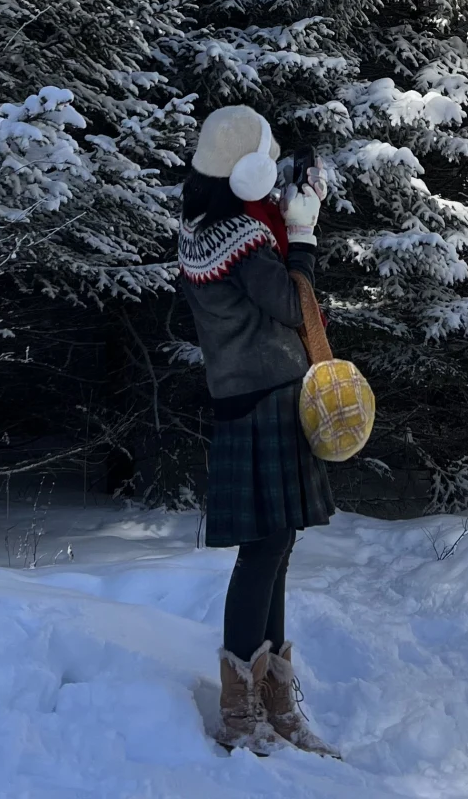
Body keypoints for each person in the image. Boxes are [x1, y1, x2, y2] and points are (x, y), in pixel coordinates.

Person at [177, 105, 339, 759]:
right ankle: (243, 713)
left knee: (274, 547)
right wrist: (301, 235)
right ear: (242, 172)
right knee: (265, 552)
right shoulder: (241, 239)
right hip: (266, 398)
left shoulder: (206, 228)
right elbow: (293, 303)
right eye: (264, 164)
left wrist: (279, 216)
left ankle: (272, 700)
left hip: (247, 398)